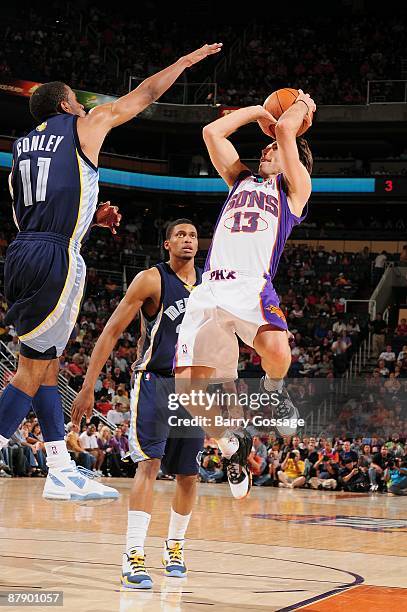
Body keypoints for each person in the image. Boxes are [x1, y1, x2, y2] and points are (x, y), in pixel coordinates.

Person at [0, 41, 222, 503]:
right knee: (29, 370)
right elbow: (140, 97)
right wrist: (181, 63)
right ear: (66, 104)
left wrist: (86, 219)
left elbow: (34, 210)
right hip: (53, 255)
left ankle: (59, 466)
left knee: (48, 362)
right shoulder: (85, 124)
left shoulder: (21, 147)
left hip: (23, 252)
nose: (84, 106)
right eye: (77, 101)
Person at [174, 90, 316, 499]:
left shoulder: (294, 192)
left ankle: (274, 395)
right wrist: (258, 111)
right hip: (210, 290)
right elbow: (211, 131)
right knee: (188, 395)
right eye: (268, 144)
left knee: (278, 350)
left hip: (251, 283)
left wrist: (301, 104)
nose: (269, 146)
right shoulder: (240, 179)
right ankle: (231, 444)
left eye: (275, 147)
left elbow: (288, 130)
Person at [72, 219, 204, 589]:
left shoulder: (211, 283)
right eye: (180, 234)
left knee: (189, 475)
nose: (187, 240)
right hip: (155, 382)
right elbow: (112, 330)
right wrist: (88, 384)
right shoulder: (151, 279)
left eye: (193, 235)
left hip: (194, 387)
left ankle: (174, 548)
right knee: (148, 465)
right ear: (166, 243)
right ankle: (133, 555)